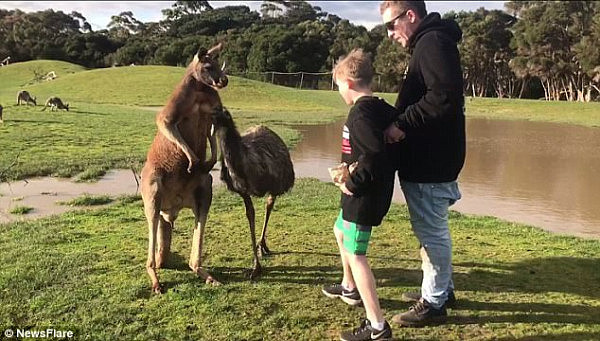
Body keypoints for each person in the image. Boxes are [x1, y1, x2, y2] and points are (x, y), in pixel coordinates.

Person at [379, 0, 465, 327]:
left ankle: (434, 302)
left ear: (410, 16)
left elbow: (443, 97)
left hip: (432, 159)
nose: (389, 34)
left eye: (391, 25)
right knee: (429, 227)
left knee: (431, 231)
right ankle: (442, 290)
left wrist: (401, 124)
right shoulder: (428, 43)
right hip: (428, 156)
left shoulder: (432, 43)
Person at [321, 48, 397, 341]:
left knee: (356, 254)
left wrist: (351, 184)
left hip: (363, 196)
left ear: (348, 83)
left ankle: (377, 326)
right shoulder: (379, 107)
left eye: (338, 84)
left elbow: (374, 157)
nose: (338, 90)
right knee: (339, 230)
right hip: (359, 193)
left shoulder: (360, 115)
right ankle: (349, 289)